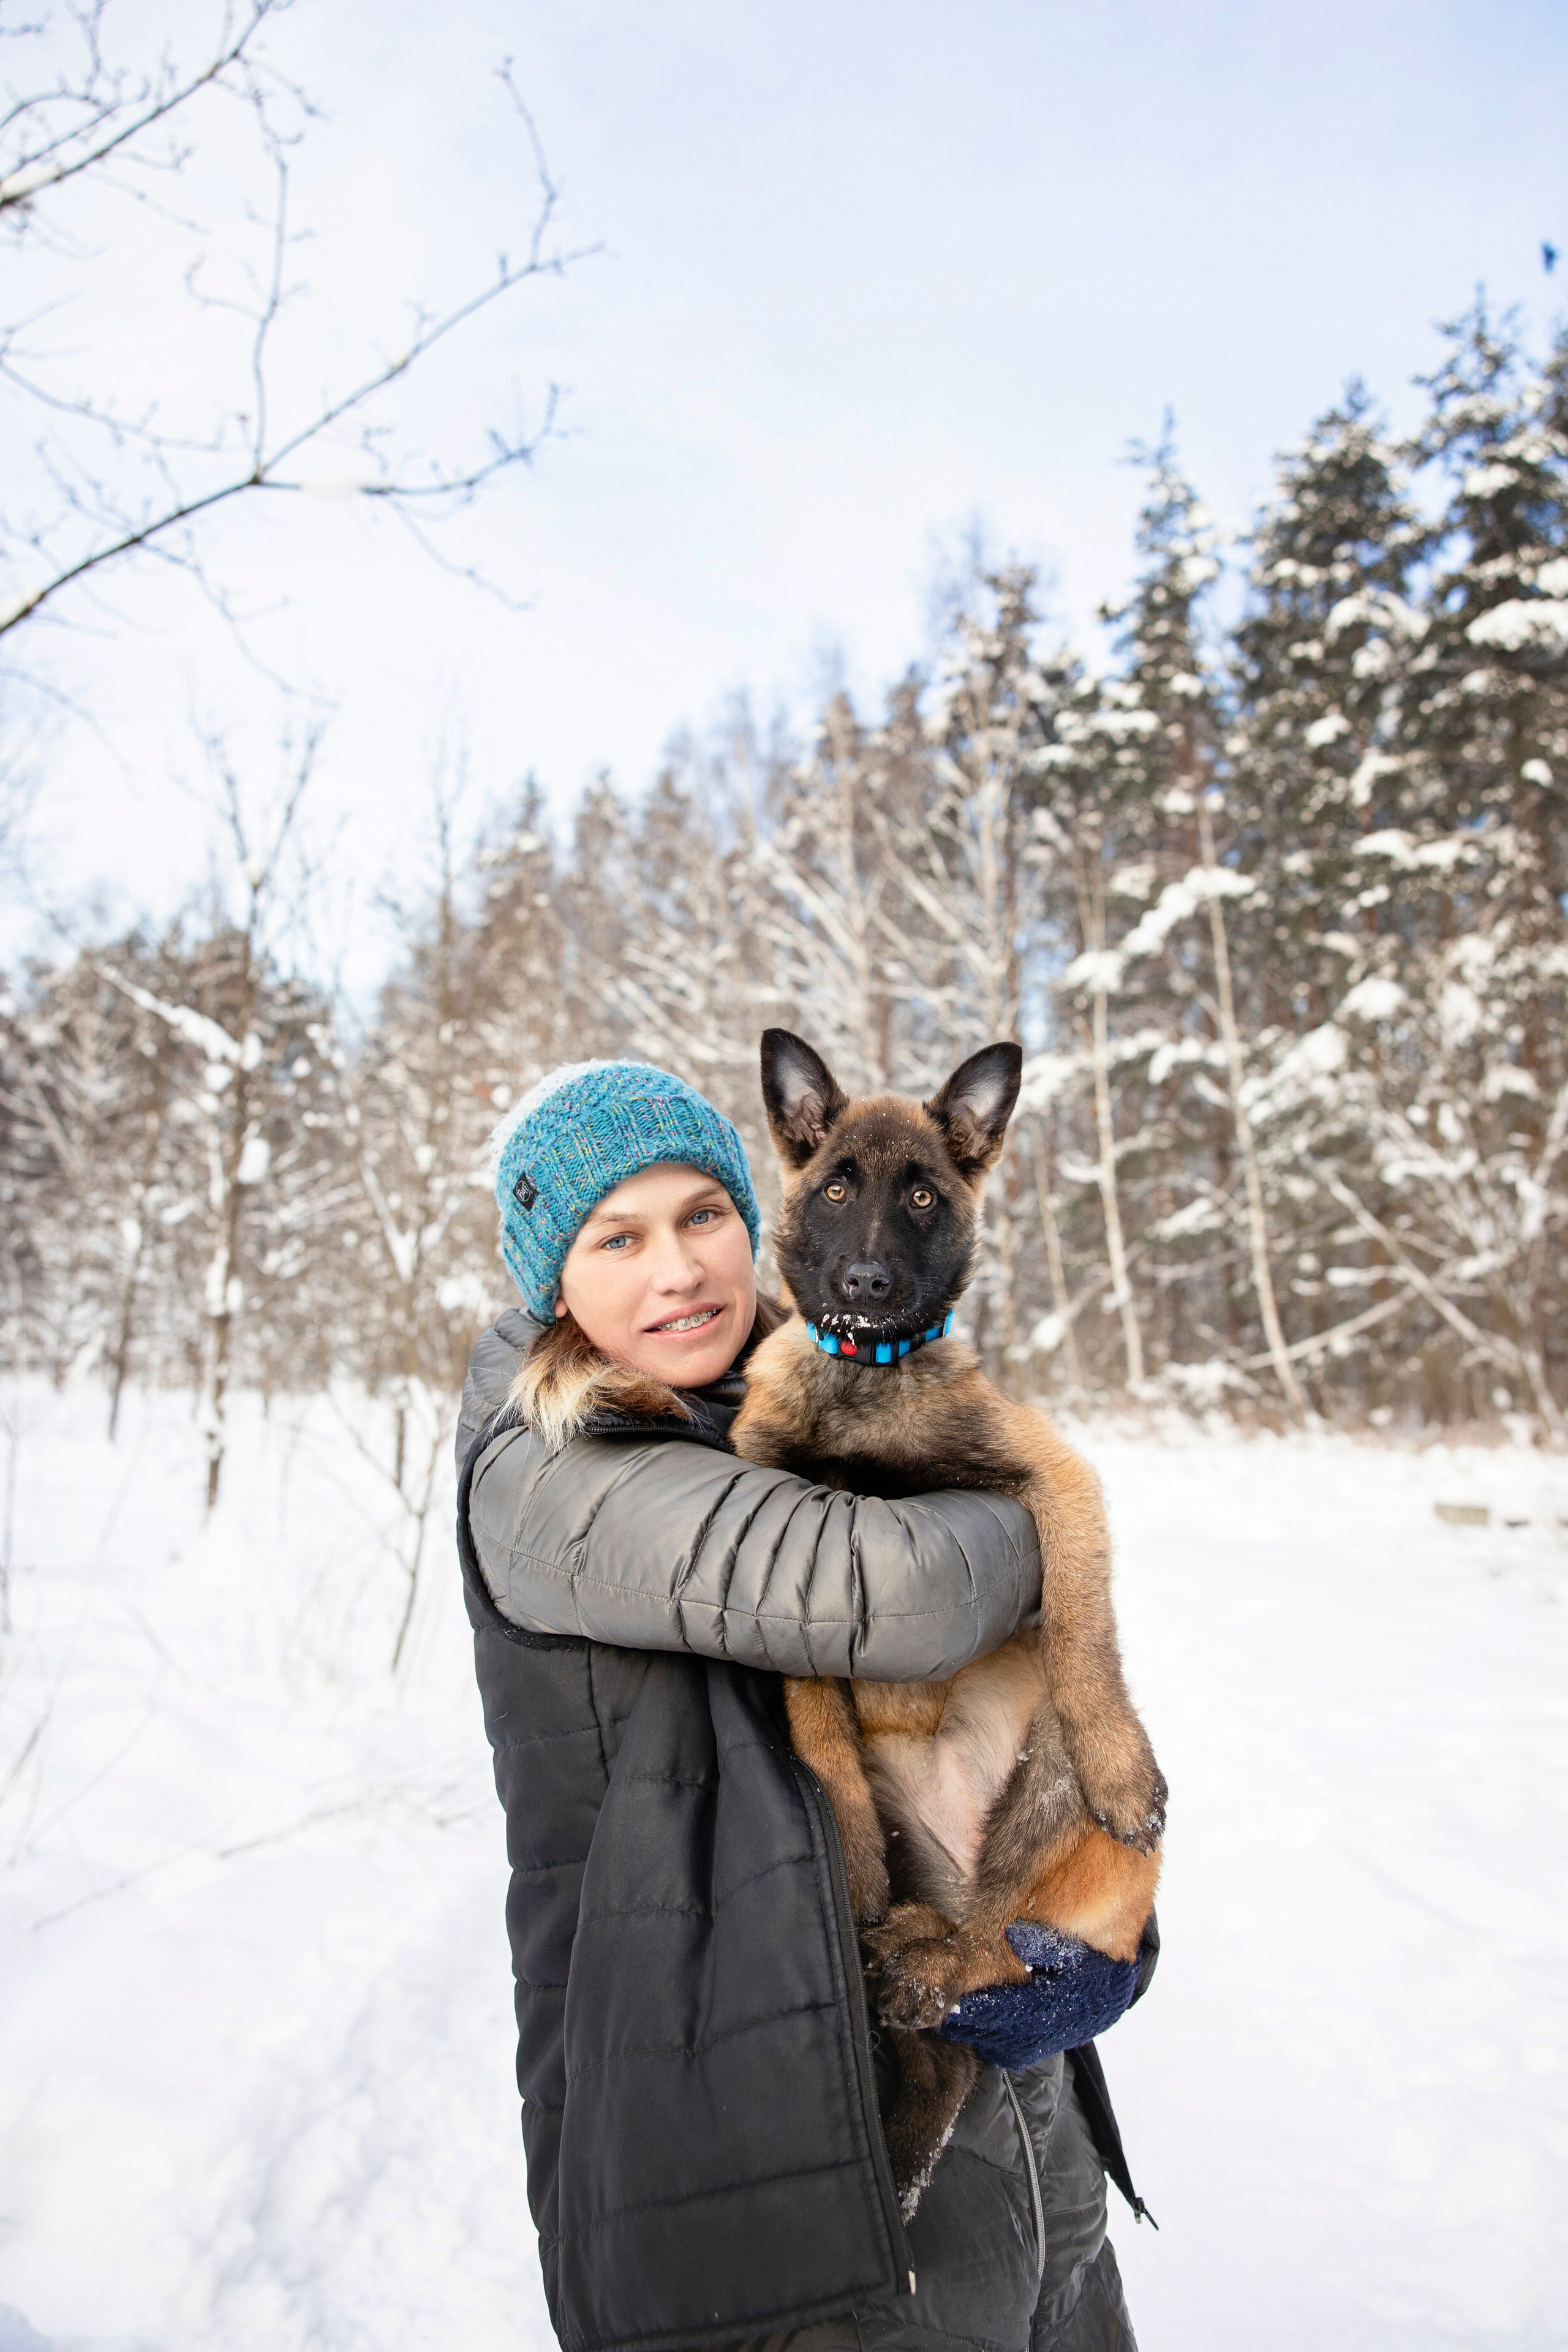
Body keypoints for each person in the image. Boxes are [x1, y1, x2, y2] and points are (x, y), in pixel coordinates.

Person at [458, 1059, 1155, 2352]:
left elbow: (969, 1716)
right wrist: (1037, 1507)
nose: (675, 1269)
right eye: (618, 1237)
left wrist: (1080, 1915)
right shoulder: (554, 1464)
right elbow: (897, 1591)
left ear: (754, 1219)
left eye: (700, 1218)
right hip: (765, 2139)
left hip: (999, 2109)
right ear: (552, 1276)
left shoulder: (789, 1381)